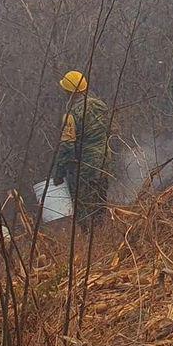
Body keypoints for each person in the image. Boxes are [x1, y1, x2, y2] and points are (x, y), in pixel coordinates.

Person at [51, 69, 113, 227]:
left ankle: (90, 240)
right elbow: (111, 130)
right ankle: (101, 233)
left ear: (68, 92)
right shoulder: (100, 105)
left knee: (83, 207)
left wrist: (59, 173)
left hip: (84, 168)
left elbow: (67, 147)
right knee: (100, 202)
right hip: (104, 163)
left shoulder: (71, 115)